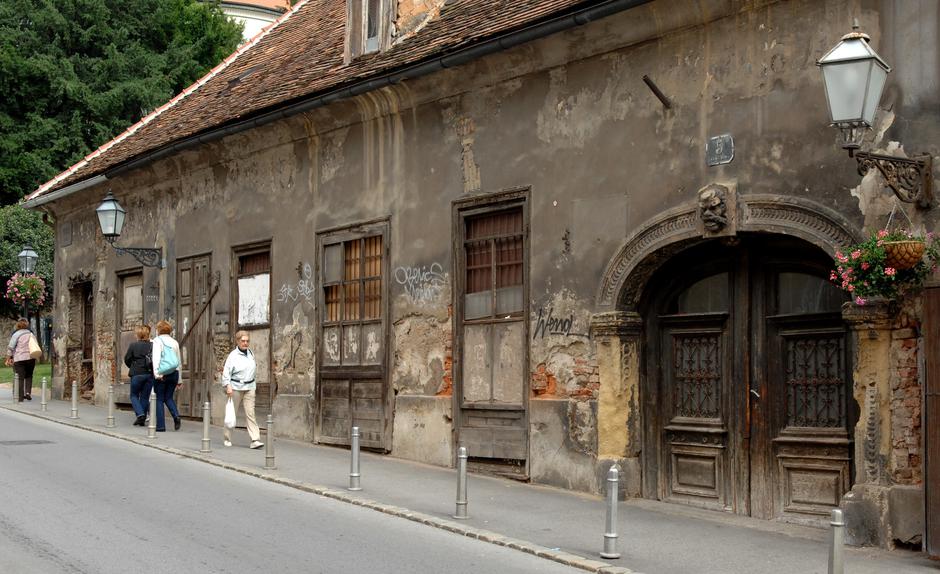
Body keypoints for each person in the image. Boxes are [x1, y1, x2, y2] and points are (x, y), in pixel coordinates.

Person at [221, 330, 263, 449]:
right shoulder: (233, 356)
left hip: (249, 387)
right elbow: (226, 372)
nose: (245, 343)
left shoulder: (250, 353)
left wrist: (254, 383)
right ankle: (227, 438)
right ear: (238, 341)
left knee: (250, 413)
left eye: (247, 341)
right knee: (231, 413)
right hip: (235, 388)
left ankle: (255, 439)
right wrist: (227, 386)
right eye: (243, 341)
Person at [152, 320, 182, 432]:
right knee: (168, 397)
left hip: (162, 373)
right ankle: (176, 416)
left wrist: (157, 374)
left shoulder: (157, 341)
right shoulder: (175, 342)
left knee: (159, 399)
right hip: (174, 373)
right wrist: (179, 379)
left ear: (159, 330)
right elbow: (178, 361)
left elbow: (156, 358)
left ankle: (160, 426)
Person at [124, 324, 154, 425]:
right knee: (145, 397)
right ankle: (141, 420)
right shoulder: (152, 345)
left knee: (134, 395)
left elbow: (127, 359)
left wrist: (132, 366)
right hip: (149, 373)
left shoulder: (133, 345)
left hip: (136, 374)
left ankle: (140, 414)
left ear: (138, 334)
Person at [6, 319, 36, 402]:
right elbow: (35, 345)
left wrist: (8, 358)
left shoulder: (16, 334)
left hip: (19, 359)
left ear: (18, 325)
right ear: (27, 325)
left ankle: (20, 397)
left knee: (20, 378)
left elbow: (11, 347)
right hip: (30, 358)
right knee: (29, 376)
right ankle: (28, 393)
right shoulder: (31, 334)